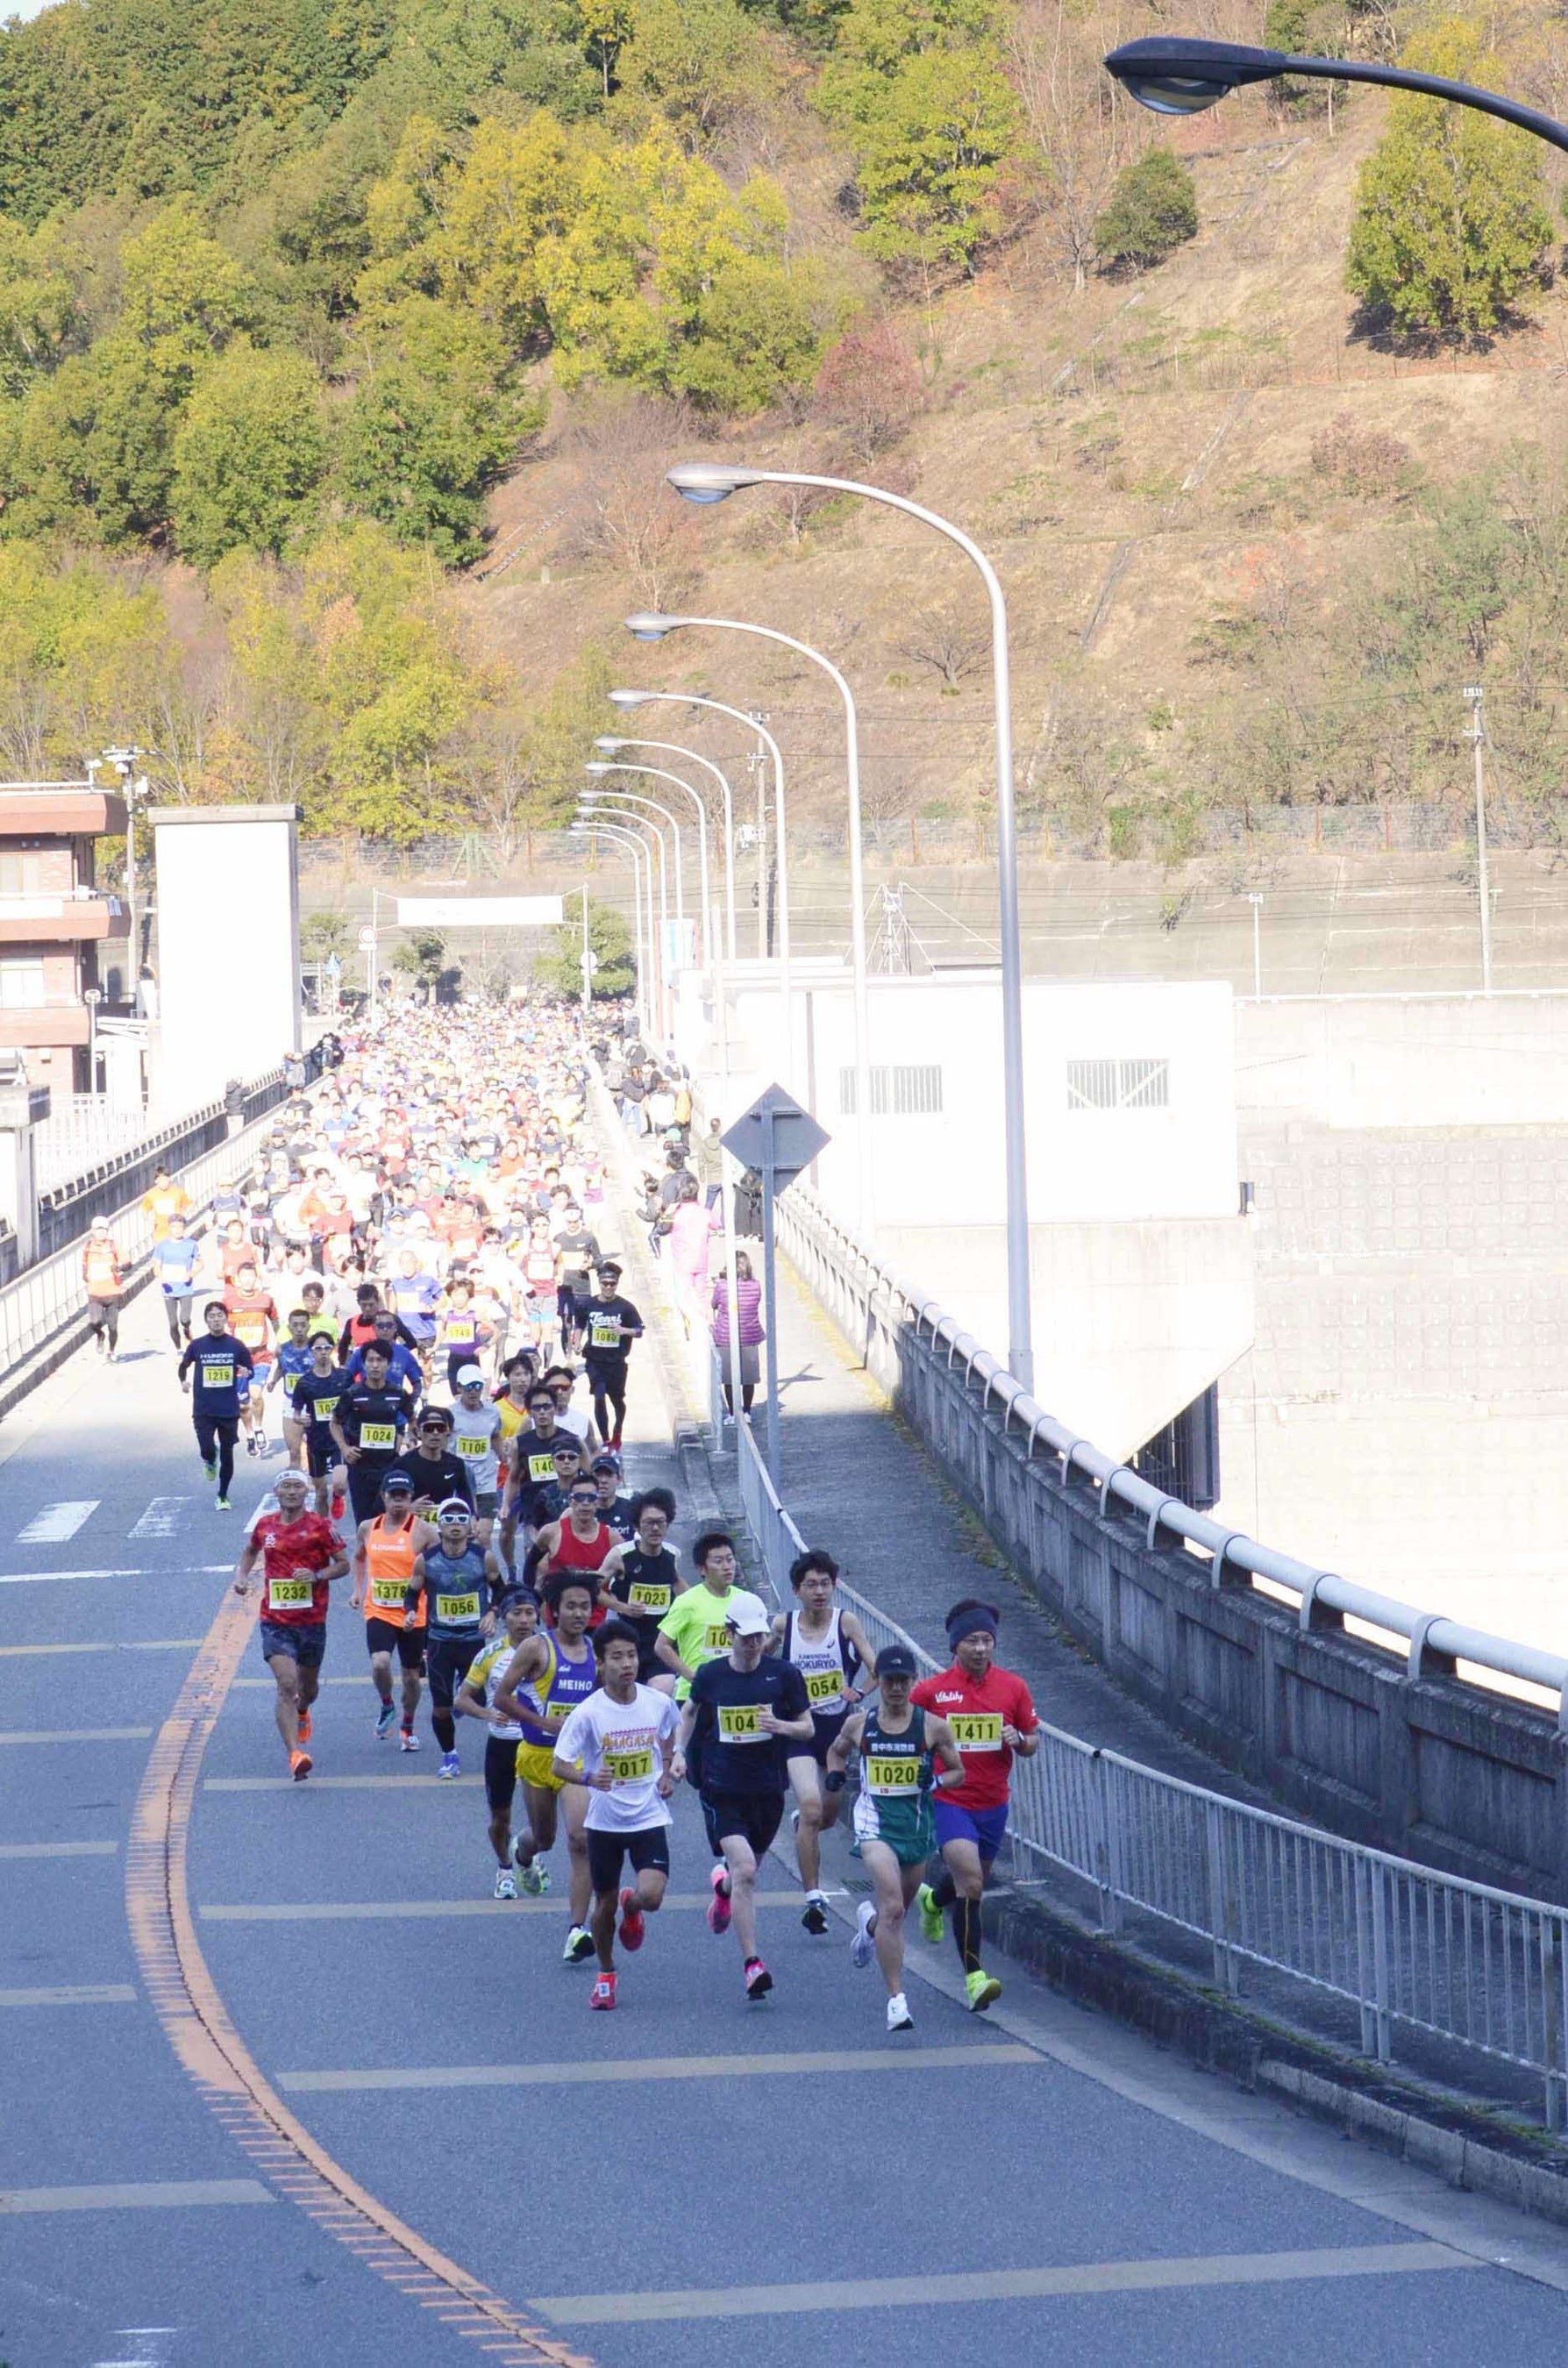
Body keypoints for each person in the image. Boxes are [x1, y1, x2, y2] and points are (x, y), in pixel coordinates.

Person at [681, 1590, 813, 2001]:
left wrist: (781, 1727)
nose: (754, 1645)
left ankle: (722, 1894)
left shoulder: (784, 1675)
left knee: (746, 1871)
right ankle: (753, 1964)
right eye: (746, 1637)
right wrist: (677, 1757)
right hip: (724, 1787)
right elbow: (689, 1712)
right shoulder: (711, 1675)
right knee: (746, 1872)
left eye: (759, 1637)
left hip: (768, 1789)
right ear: (729, 1633)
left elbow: (807, 1728)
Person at [911, 1600, 1040, 2013]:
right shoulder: (932, 1691)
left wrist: (1018, 1741)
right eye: (972, 1641)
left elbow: (1032, 1744)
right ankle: (974, 1978)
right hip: (949, 1798)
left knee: (971, 1883)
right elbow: (899, 1722)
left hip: (993, 1802)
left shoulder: (1013, 1687)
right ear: (955, 1645)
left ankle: (932, 1902)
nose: (981, 1649)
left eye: (987, 1641)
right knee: (971, 1882)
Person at [828, 1644, 962, 2032]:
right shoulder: (859, 1725)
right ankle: (896, 2001)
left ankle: (868, 1928)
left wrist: (934, 1780)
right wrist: (835, 1774)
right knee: (894, 1908)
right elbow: (835, 1753)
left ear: (913, 1682)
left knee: (893, 1912)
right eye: (890, 1681)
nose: (897, 1688)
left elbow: (958, 1772)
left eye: (904, 1681)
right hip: (875, 1825)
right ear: (880, 1682)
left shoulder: (933, 1726)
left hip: (916, 1827)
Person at [553, 1618, 682, 2011]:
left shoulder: (656, 1702)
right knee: (602, 1905)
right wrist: (589, 1777)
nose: (626, 1664)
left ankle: (635, 1906)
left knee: (653, 1896)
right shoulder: (589, 1713)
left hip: (647, 1817)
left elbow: (672, 1731)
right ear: (600, 1663)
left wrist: (666, 1766)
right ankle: (606, 1974)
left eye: (630, 1656)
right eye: (616, 1658)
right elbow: (560, 1766)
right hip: (605, 1822)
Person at [492, 1574, 601, 1955]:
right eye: (570, 1606)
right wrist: (542, 1723)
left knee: (580, 1839)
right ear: (554, 1610)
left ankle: (576, 1929)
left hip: (576, 1761)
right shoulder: (537, 1648)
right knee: (544, 1838)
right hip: (537, 1757)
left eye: (585, 1606)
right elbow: (502, 1699)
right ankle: (524, 1856)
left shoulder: (595, 1650)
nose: (578, 1613)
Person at [770, 1549, 874, 1935]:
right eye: (811, 1584)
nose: (819, 1591)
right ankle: (813, 1898)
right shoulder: (783, 1625)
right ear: (797, 1590)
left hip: (836, 1734)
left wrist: (859, 1693)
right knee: (812, 1809)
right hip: (799, 1729)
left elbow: (878, 1670)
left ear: (835, 1587)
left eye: (825, 1584)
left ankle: (805, 1825)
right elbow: (761, 1663)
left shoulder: (846, 1623)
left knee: (826, 1816)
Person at [232, 1471, 349, 1780]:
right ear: (277, 1491)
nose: (292, 1492)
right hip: (275, 1619)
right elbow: (250, 1551)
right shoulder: (265, 1526)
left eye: (298, 1486)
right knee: (287, 1684)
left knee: (308, 1689)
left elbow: (343, 1564)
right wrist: (241, 1578)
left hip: (311, 1620)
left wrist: (318, 1576)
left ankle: (303, 1709)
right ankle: (295, 1754)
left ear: (306, 1492)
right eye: (287, 1486)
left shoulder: (321, 1527)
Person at [457, 1588, 540, 1897]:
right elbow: (462, 1699)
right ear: (504, 1618)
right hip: (502, 1746)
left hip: (538, 1747)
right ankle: (505, 1867)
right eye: (516, 1613)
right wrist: (488, 1713)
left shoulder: (550, 1651)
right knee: (500, 1818)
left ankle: (526, 1855)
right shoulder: (490, 1654)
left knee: (542, 1823)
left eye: (529, 1613)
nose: (523, 1620)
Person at [410, 1499, 502, 1777]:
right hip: (440, 1641)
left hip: (473, 1640)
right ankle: (449, 1754)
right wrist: (410, 1613)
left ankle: (466, 1694)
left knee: (481, 1697)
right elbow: (411, 1593)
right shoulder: (426, 1561)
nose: (455, 1525)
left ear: (471, 1525)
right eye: (448, 1519)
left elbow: (501, 1590)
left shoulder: (482, 1557)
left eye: (461, 1519)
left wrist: (492, 1614)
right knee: (441, 1707)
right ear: (438, 1525)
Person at [349, 1473, 436, 1749]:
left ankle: (407, 1725)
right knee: (380, 1663)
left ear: (411, 1498)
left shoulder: (423, 1531)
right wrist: (357, 1590)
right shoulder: (368, 1527)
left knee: (411, 1677)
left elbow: (437, 1571)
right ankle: (387, 1704)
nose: (398, 1501)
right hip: (379, 1610)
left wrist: (430, 1607)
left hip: (413, 1614)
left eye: (404, 1496)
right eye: (393, 1495)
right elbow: (359, 1558)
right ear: (384, 1497)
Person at [602, 1489, 684, 1692]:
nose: (655, 1528)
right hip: (625, 1643)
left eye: (661, 1522)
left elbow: (682, 1591)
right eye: (649, 1523)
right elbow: (594, 1591)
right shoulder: (620, 1555)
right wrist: (622, 1607)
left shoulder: (673, 1554)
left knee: (662, 1694)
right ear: (637, 1525)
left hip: (660, 1645)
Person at [179, 1301, 254, 1509]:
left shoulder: (236, 1346)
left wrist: (247, 1373)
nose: (216, 1319)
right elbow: (183, 1366)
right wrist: (183, 1382)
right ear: (206, 1320)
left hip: (228, 1408)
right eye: (212, 1316)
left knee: (228, 1451)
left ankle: (223, 1495)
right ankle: (210, 1459)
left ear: (226, 1319)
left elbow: (250, 1368)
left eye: (220, 1315)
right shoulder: (197, 1345)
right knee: (208, 1448)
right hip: (203, 1408)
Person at [653, 1530, 742, 1701]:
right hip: (694, 1696)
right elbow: (661, 1646)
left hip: (735, 1692)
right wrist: (693, 1678)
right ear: (702, 1568)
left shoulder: (745, 1600)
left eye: (730, 1559)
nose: (726, 1566)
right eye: (718, 1561)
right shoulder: (687, 1602)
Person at [331, 1342, 412, 1527]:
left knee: (391, 1519)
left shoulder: (398, 1393)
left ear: (388, 1364)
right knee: (365, 1522)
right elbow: (334, 1423)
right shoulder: (352, 1393)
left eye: (380, 1360)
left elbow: (413, 1420)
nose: (375, 1365)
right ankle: (365, 1555)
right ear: (364, 1364)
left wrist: (410, 1440)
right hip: (361, 1466)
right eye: (371, 1360)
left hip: (388, 1465)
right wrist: (344, 1448)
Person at [524, 1473, 618, 1601]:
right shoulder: (550, 1533)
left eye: (591, 1498)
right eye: (579, 1498)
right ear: (570, 1501)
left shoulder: (612, 1538)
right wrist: (532, 1599)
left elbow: (626, 1574)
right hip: (558, 1613)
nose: (585, 1503)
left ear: (597, 1501)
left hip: (597, 1613)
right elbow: (530, 1563)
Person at [581, 1263, 642, 1449]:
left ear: (617, 1284)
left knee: (617, 1400)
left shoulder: (625, 1307)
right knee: (599, 1396)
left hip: (616, 1362)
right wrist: (575, 1341)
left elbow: (639, 1331)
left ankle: (617, 1430)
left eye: (612, 1284)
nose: (608, 1287)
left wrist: (624, 1330)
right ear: (599, 1283)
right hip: (595, 1360)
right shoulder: (589, 1304)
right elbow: (579, 1325)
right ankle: (606, 1439)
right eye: (605, 1283)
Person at [223, 1259, 281, 1458]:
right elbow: (218, 1322)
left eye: (251, 1276)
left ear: (256, 1279)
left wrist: (279, 1341)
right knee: (242, 1404)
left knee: (256, 1395)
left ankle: (258, 1427)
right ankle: (249, 1435)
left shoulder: (266, 1299)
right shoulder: (228, 1301)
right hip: (238, 1361)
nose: (248, 1281)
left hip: (261, 1356)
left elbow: (274, 1320)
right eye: (244, 1277)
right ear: (237, 1280)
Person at [291, 1330, 348, 1519]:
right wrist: (301, 1419)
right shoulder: (305, 1383)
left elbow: (354, 1404)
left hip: (339, 1440)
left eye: (326, 1348)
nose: (323, 1352)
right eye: (318, 1349)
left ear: (332, 1350)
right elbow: (296, 1414)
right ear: (311, 1352)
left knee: (339, 1484)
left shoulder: (344, 1378)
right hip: (316, 1441)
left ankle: (338, 1497)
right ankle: (323, 1530)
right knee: (321, 1493)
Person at [384, 1400, 474, 1517]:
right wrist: (407, 1509)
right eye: (429, 1428)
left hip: (445, 1527)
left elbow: (466, 1499)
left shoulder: (456, 1464)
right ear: (418, 1432)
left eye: (440, 1428)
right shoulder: (402, 1465)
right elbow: (381, 1504)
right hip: (411, 1527)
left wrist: (473, 1518)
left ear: (447, 1432)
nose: (435, 1433)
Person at [449, 1364, 503, 1545]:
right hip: (460, 1482)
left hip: (486, 1481)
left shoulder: (493, 1412)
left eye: (478, 1386)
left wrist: (505, 1458)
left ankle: (486, 1573)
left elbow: (495, 1436)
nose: (473, 1392)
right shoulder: (450, 1414)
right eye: (468, 1387)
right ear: (459, 1388)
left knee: (483, 1535)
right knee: (463, 1535)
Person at [711, 1252, 764, 1419]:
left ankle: (733, 1413)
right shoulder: (756, 1285)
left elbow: (714, 1303)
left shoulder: (722, 1286)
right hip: (750, 1336)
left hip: (726, 1336)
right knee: (748, 1377)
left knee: (729, 1378)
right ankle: (747, 1411)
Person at [267, 1305, 317, 1469]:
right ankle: (297, 1484)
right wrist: (273, 1381)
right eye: (295, 1325)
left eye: (303, 1325)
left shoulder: (316, 1349)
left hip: (312, 1404)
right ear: (289, 1327)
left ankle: (313, 1481)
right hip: (291, 1403)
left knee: (314, 1450)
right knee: (294, 1450)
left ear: (308, 1326)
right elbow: (282, 1367)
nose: (299, 1329)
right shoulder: (282, 1349)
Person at [151, 1211, 202, 1349]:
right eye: (174, 1227)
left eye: (180, 1227)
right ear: (169, 1228)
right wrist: (161, 1278)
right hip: (168, 1289)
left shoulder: (191, 1244)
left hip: (185, 1288)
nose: (177, 1230)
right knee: (173, 1323)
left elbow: (200, 1264)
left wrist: (191, 1274)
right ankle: (178, 1348)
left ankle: (187, 1330)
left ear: (184, 1228)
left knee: (184, 1319)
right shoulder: (162, 1246)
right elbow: (156, 1266)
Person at [82, 1218, 124, 1361]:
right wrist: (88, 1279)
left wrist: (119, 1268)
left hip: (112, 1292)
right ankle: (100, 1335)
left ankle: (111, 1351)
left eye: (104, 1230)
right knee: (94, 1322)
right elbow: (84, 1268)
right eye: (98, 1230)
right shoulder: (88, 1248)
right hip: (95, 1292)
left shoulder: (113, 1246)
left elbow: (127, 1263)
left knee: (113, 1326)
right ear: (93, 1231)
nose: (101, 1233)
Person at [141, 1163, 191, 1241]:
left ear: (169, 1179)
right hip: (160, 1234)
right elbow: (144, 1210)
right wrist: (150, 1220)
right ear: (156, 1181)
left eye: (165, 1179)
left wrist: (184, 1217)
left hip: (176, 1233)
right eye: (160, 1180)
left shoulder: (178, 1192)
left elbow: (189, 1204)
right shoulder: (151, 1195)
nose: (163, 1183)